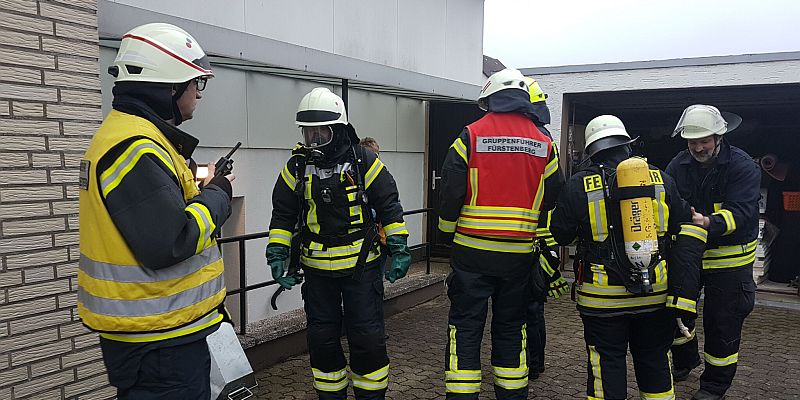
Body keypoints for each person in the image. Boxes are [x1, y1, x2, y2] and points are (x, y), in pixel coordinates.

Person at [77, 23, 234, 399]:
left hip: (161, 335)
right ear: (168, 87)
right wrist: (219, 195)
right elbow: (172, 240)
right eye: (195, 83)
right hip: (159, 345)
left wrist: (199, 190)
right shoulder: (134, 148)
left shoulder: (136, 138)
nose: (199, 94)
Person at [266, 87, 411, 400]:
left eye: (322, 134)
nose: (314, 141)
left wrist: (399, 248)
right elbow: (283, 215)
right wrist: (277, 254)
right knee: (322, 341)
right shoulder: (296, 167)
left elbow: (390, 207)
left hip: (362, 269)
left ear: (340, 129)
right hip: (317, 273)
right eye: (309, 134)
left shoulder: (365, 162)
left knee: (368, 339)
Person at [549, 114, 707, 400]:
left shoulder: (577, 185)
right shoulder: (661, 179)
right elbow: (681, 224)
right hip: (654, 293)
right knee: (655, 359)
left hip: (601, 298)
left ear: (593, 149)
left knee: (605, 363)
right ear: (627, 145)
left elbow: (559, 234)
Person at [437, 68, 563, 399]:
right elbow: (554, 196)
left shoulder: (470, 135)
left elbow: (450, 192)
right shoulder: (544, 143)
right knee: (511, 330)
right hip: (518, 257)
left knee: (465, 329)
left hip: (471, 255)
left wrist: (447, 233)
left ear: (490, 99)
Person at [667, 105, 759, 400]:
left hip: (729, 259)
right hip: (688, 256)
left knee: (722, 323)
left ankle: (714, 386)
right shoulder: (677, 166)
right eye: (692, 141)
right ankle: (684, 362)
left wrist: (710, 223)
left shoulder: (742, 166)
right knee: (676, 312)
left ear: (719, 136)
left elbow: (743, 212)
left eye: (704, 140)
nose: (698, 147)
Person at [521, 76, 569, 380]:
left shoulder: (536, 139)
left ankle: (529, 364)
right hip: (540, 239)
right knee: (532, 307)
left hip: (529, 239)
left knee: (526, 309)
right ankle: (532, 363)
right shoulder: (544, 138)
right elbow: (556, 190)